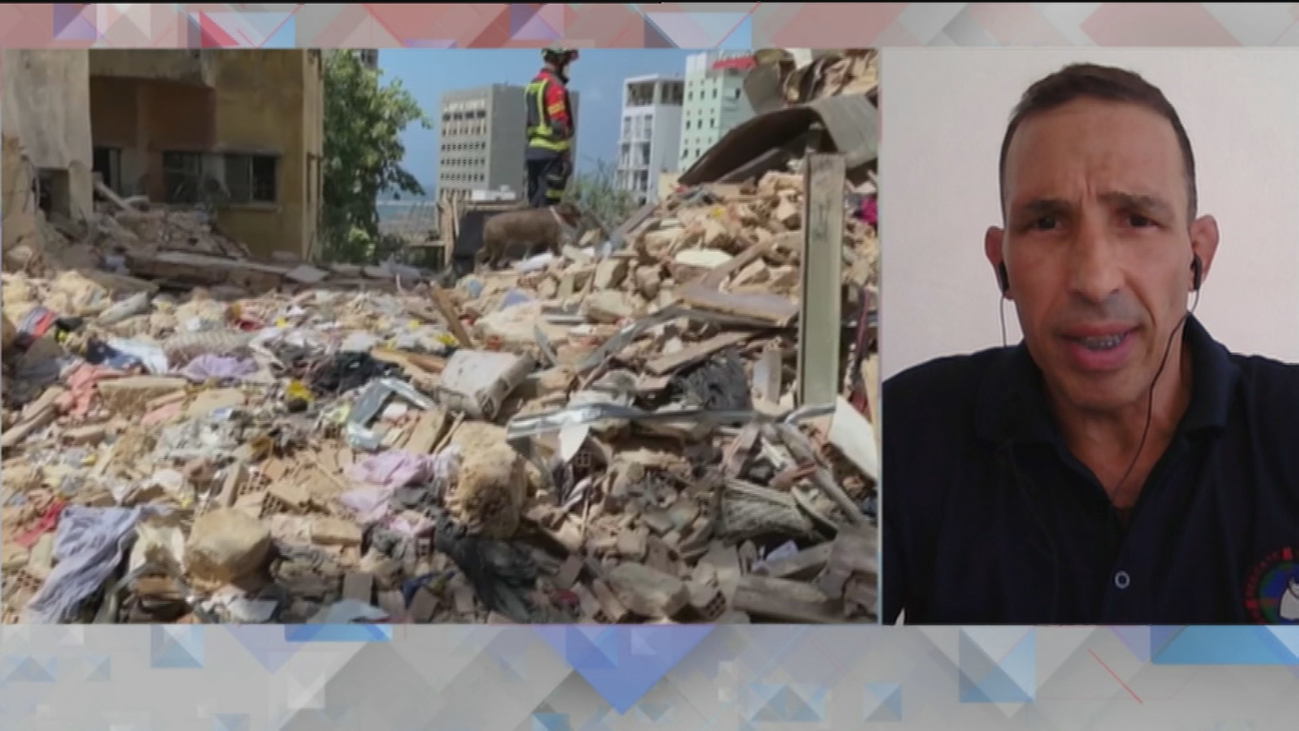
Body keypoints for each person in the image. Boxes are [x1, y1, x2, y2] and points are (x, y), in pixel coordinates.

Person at [882, 63, 1299, 626]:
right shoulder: (906, 432)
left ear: (1197, 254)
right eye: (1049, 222)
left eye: (1137, 219)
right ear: (1001, 265)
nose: (1095, 280)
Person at [524, 46, 578, 209]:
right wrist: (565, 156)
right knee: (549, 209)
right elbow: (558, 125)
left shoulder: (533, 84)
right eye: (567, 61)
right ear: (560, 60)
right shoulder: (555, 86)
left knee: (534, 205)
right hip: (551, 154)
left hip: (532, 152)